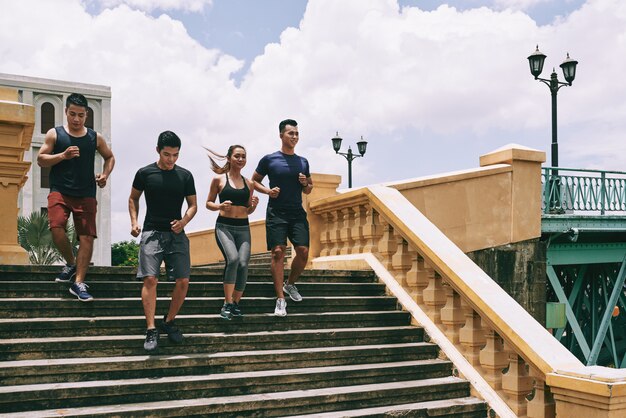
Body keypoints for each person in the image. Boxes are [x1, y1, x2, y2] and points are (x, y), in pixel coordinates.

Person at [37, 93, 115, 302]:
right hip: (60, 190)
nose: (76, 119)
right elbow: (41, 159)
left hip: (86, 193)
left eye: (81, 115)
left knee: (86, 237)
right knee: (56, 228)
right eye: (72, 114)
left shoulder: (94, 137)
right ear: (66, 112)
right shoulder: (55, 134)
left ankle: (78, 282)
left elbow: (109, 156)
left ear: (86, 115)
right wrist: (63, 155)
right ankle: (71, 262)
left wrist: (105, 175)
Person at [129, 131, 197, 352]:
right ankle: (151, 329)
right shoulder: (144, 173)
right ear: (158, 150)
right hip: (151, 232)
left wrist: (184, 221)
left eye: (176, 155)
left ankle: (168, 321)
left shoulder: (185, 176)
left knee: (184, 281)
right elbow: (133, 198)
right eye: (167, 154)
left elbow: (193, 205)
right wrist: (134, 222)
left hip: (176, 234)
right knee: (150, 279)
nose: (171, 160)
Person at [252, 119, 312, 317]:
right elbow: (254, 181)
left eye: (296, 133)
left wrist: (305, 183)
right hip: (276, 212)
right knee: (278, 252)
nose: (294, 137)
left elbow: (309, 189)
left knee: (303, 252)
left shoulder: (303, 161)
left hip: (296, 213)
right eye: (290, 133)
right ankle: (280, 299)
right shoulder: (270, 159)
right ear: (281, 135)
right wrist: (268, 191)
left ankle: (290, 284)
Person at [205, 145, 259, 319]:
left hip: (243, 227)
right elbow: (208, 203)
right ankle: (226, 303)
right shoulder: (219, 180)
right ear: (229, 158)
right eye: (237, 156)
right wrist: (219, 206)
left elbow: (248, 210)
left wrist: (254, 206)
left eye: (244, 156)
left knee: (243, 263)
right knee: (233, 259)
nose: (241, 159)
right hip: (224, 227)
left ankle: (235, 303)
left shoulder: (249, 183)